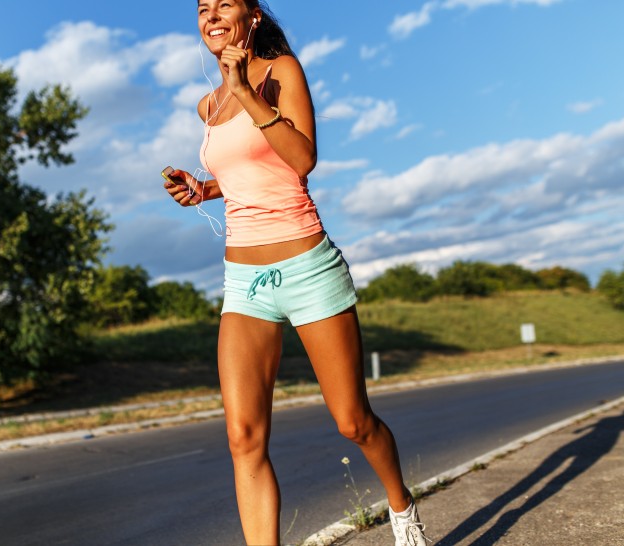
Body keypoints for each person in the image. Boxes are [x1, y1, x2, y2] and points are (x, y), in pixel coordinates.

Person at [162, 2, 428, 545]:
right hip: (245, 283)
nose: (211, 15)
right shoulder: (205, 105)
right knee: (243, 439)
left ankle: (402, 511)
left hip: (307, 267)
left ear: (251, 17)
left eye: (224, 5)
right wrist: (203, 189)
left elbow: (301, 159)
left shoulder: (280, 71)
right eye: (202, 8)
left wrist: (242, 90)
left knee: (354, 422)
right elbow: (249, 174)